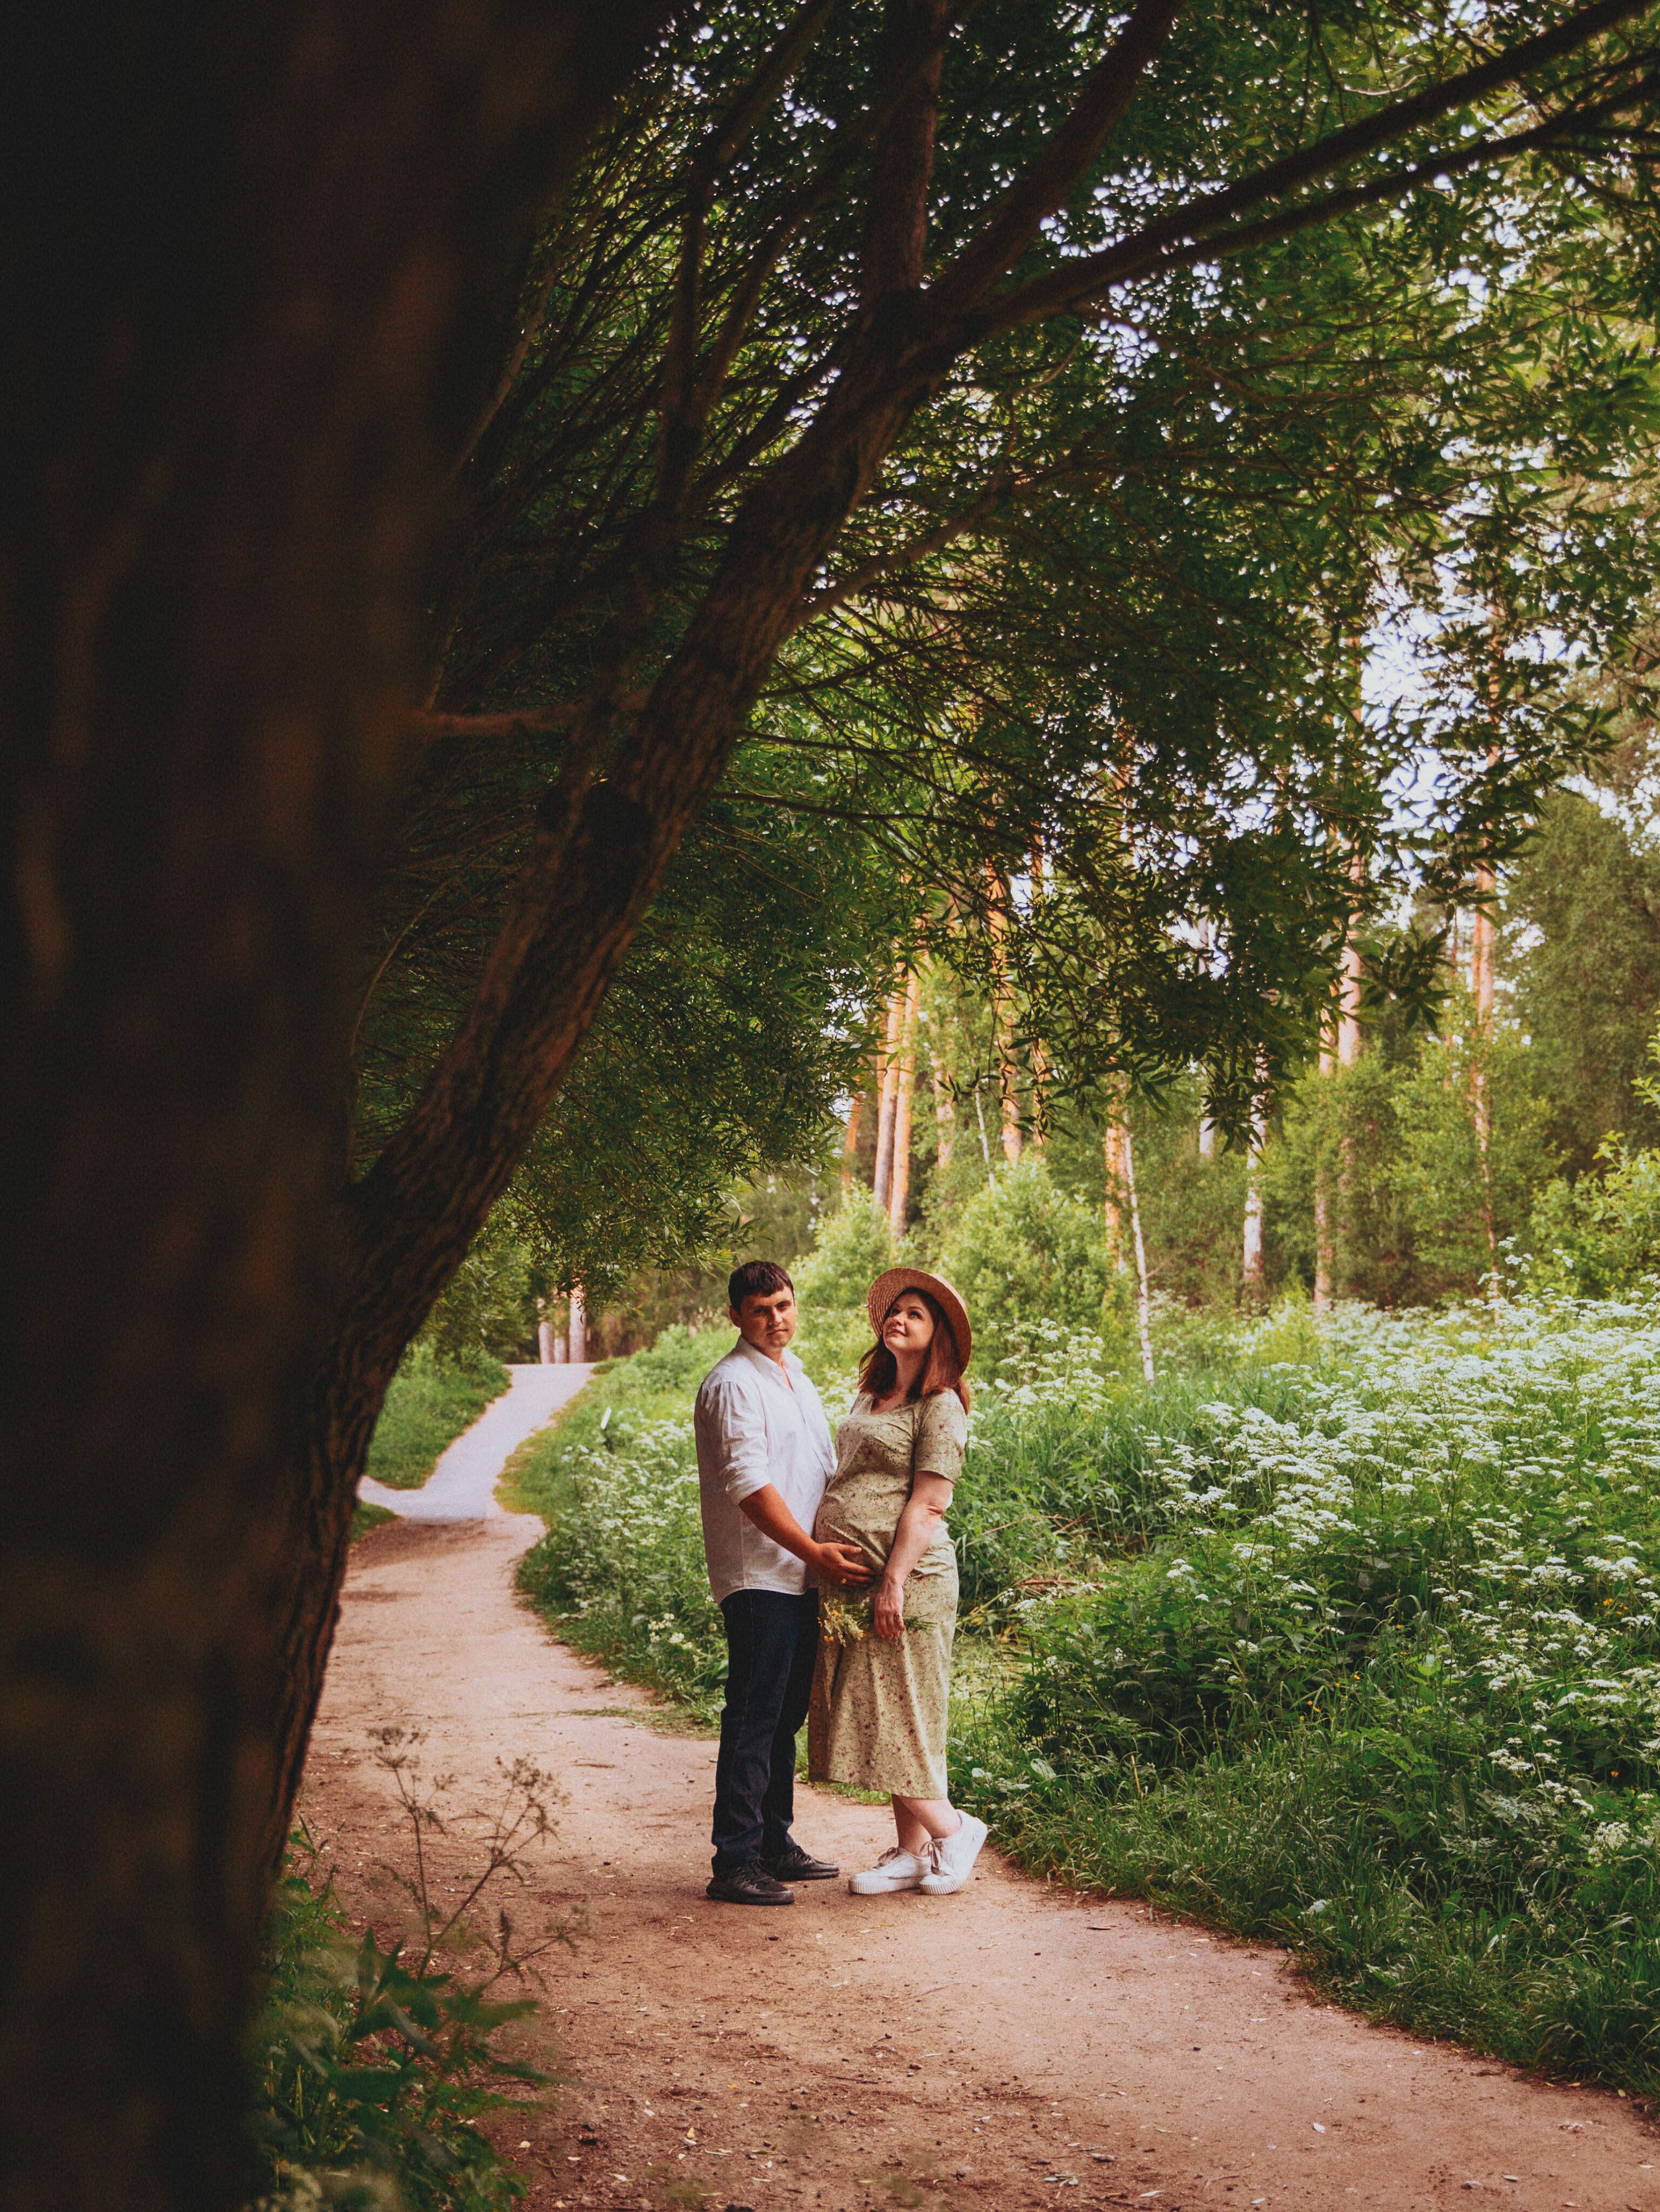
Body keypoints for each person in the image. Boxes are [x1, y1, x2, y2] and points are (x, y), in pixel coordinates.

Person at [693, 1259, 873, 1905]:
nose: (776, 1320)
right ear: (737, 1315)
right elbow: (749, 1488)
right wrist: (814, 1552)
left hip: (801, 1574)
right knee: (754, 1715)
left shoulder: (793, 1376)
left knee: (784, 1716)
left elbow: (819, 1469)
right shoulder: (732, 1385)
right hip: (758, 1575)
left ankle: (774, 1843)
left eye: (784, 1306)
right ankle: (733, 1861)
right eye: (762, 1309)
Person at [808, 1267, 990, 1897]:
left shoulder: (940, 1406)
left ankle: (954, 1830)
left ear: (935, 1333)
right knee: (885, 1707)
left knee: (902, 1710)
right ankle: (910, 1856)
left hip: (910, 1580)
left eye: (915, 1314)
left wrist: (893, 1582)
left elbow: (929, 1504)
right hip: (856, 1584)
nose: (899, 1319)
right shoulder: (871, 1395)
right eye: (895, 1311)